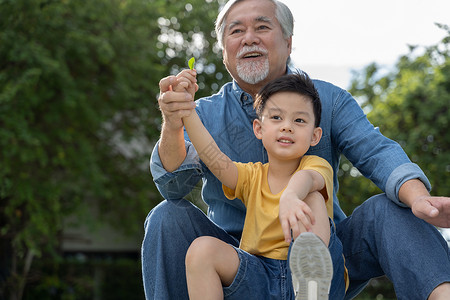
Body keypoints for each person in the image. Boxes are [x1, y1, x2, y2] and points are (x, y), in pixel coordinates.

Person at [143, 0, 450, 299]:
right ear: (225, 51)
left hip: (324, 254)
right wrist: (174, 123)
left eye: (262, 27)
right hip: (241, 263)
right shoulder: (204, 114)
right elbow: (172, 186)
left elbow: (377, 153)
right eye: (236, 31)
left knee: (394, 204)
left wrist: (420, 198)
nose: (249, 38)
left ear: (288, 43)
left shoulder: (328, 100)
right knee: (165, 216)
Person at [178, 72, 342, 299]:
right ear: (258, 129)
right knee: (201, 250)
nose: (287, 127)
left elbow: (308, 179)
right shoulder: (251, 176)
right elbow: (213, 157)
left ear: (315, 136)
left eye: (299, 120)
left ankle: (311, 284)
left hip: (313, 279)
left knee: (311, 196)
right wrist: (187, 111)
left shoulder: (315, 165)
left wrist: (291, 196)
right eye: (276, 118)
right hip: (260, 277)